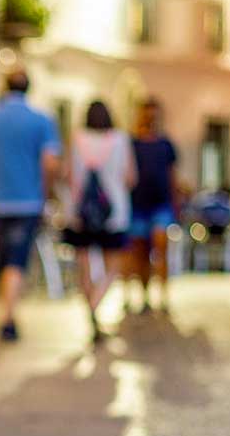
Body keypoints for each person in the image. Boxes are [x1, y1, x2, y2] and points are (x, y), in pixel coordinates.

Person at [0, 70, 61, 342]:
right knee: (16, 259)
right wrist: (47, 192)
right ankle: (8, 317)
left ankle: (7, 310)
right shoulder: (41, 120)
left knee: (3, 257)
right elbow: (50, 163)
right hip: (28, 201)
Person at [63, 100, 135, 343]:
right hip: (113, 213)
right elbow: (130, 177)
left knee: (84, 265)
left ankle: (90, 309)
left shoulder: (76, 139)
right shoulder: (120, 140)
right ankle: (95, 305)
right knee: (112, 267)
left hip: (79, 212)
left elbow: (68, 175)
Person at [126, 97, 178, 312]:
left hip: (161, 205)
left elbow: (172, 175)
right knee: (139, 252)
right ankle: (144, 295)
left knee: (161, 247)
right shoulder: (132, 143)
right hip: (137, 206)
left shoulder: (166, 145)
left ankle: (163, 297)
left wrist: (175, 203)